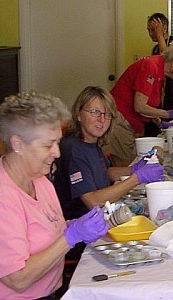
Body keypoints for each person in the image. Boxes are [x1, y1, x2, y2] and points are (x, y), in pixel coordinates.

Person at [0, 91, 108, 299]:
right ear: (18, 144)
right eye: (47, 145)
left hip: (51, 290)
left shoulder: (39, 180)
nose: (57, 153)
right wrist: (71, 237)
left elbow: (51, 229)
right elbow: (18, 279)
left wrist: (76, 225)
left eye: (57, 142)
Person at [54, 86, 165, 222]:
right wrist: (137, 178)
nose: (102, 119)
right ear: (78, 114)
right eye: (95, 112)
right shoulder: (73, 149)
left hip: (98, 217)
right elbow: (93, 201)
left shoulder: (90, 141)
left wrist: (134, 169)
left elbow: (104, 172)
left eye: (107, 114)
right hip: (81, 227)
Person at [111, 43, 173, 137]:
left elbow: (148, 105)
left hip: (132, 123)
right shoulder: (150, 66)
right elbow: (140, 107)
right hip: (121, 120)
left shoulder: (160, 72)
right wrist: (168, 114)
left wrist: (160, 122)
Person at [145, 13, 173, 137]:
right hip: (161, 93)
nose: (151, 34)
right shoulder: (155, 48)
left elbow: (167, 59)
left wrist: (160, 35)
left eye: (153, 30)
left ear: (164, 28)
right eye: (149, 30)